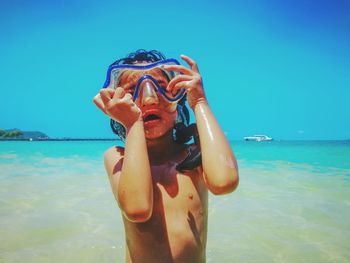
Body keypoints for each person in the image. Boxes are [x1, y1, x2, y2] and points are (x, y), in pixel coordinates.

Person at [93, 49, 239, 263]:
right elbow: (138, 208)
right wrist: (133, 122)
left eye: (162, 88)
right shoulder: (117, 157)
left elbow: (225, 182)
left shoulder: (194, 155)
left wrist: (199, 101)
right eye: (133, 91)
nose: (150, 98)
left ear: (177, 98)